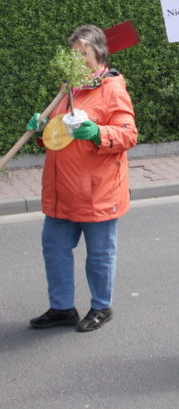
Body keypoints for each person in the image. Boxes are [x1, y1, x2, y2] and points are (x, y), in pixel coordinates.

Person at [28, 25, 138, 331]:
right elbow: (58, 135)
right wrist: (43, 128)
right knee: (54, 247)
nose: (78, 59)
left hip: (96, 191)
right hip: (62, 189)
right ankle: (62, 308)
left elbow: (128, 134)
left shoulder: (112, 88)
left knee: (99, 255)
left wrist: (97, 133)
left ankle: (101, 307)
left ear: (99, 53)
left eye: (83, 53)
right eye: (73, 53)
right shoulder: (69, 88)